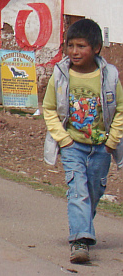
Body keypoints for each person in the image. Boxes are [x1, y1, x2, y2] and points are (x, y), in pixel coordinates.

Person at [43, 19, 123, 264]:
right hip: (73, 147)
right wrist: (64, 140)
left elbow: (120, 109)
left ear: (96, 48)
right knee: (77, 191)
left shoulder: (109, 76)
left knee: (93, 191)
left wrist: (112, 141)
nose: (74, 52)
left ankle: (83, 228)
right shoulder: (61, 75)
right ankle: (79, 242)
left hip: (100, 148)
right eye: (70, 46)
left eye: (81, 46)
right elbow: (49, 109)